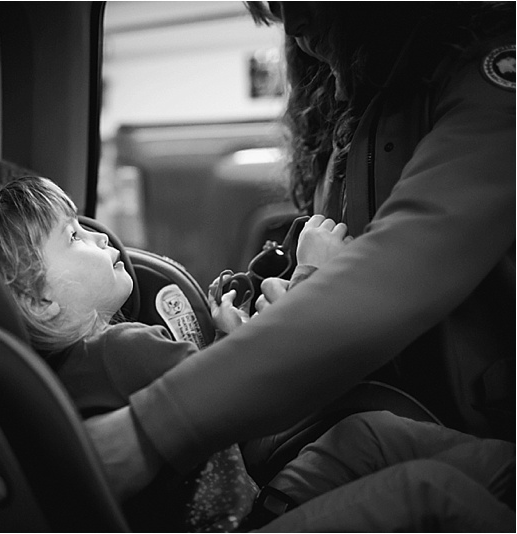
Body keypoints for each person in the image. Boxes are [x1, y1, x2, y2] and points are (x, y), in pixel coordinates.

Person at [82, 0, 515, 518]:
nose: (293, 21)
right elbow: (350, 273)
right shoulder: (370, 114)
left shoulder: (494, 76)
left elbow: (399, 268)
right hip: (395, 414)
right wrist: (286, 298)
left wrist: (148, 431)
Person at [0, 176, 513, 531]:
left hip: (243, 508)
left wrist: (228, 341)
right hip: (244, 525)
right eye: (74, 236)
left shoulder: (67, 373)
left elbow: (210, 403)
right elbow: (261, 393)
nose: (100, 238)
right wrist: (316, 274)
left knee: (363, 436)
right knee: (426, 490)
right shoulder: (122, 350)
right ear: (36, 300)